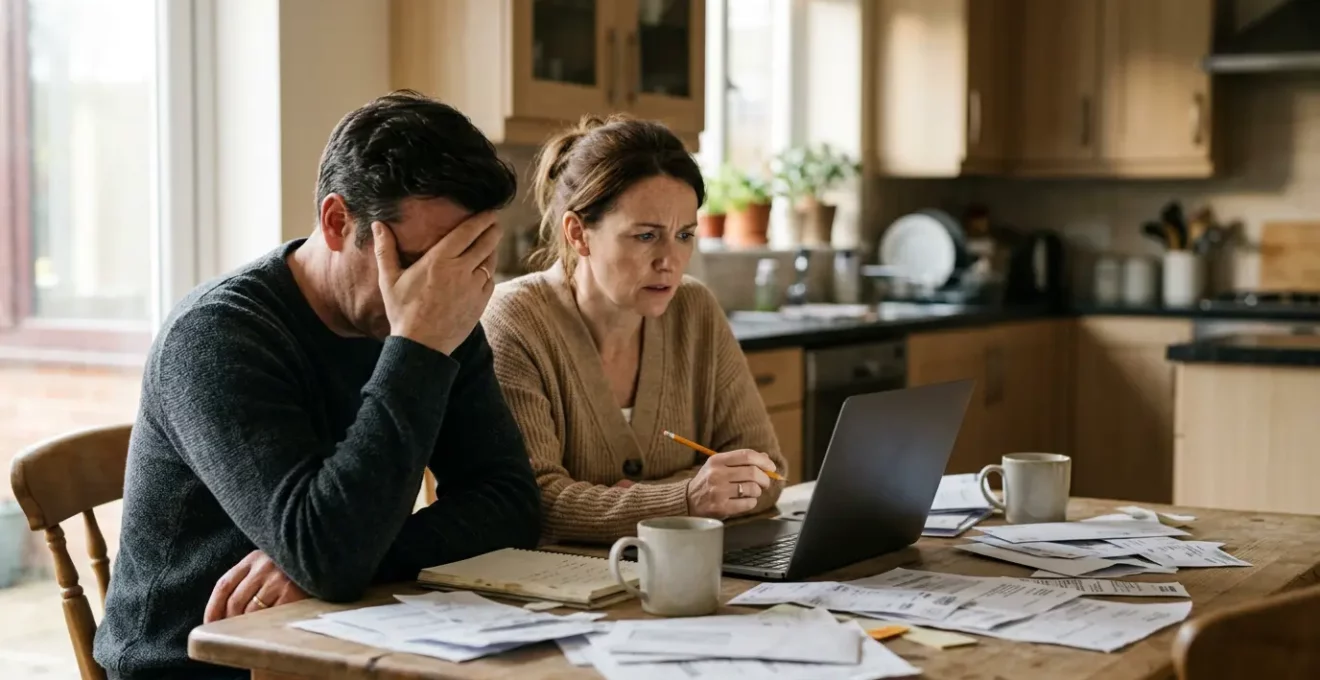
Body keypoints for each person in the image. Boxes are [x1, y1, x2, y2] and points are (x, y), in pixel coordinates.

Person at [94, 91, 542, 679]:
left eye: (459, 265)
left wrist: (327, 558)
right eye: (417, 262)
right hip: (193, 663)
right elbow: (329, 556)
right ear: (337, 223)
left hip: (342, 641)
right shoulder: (216, 336)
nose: (436, 290)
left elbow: (510, 503)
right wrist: (419, 346)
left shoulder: (439, 314)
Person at [481, 115, 787, 545]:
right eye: (646, 236)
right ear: (578, 234)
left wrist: (642, 499)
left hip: (689, 575)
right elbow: (538, 502)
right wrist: (686, 497)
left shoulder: (695, 309)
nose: (670, 260)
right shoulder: (515, 320)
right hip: (562, 596)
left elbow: (768, 470)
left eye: (684, 235)